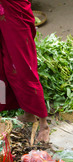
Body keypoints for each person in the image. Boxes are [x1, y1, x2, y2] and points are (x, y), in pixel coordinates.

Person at [0, 0, 49, 142]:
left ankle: (44, 124)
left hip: (13, 10)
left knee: (23, 67)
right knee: (5, 67)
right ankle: (28, 114)